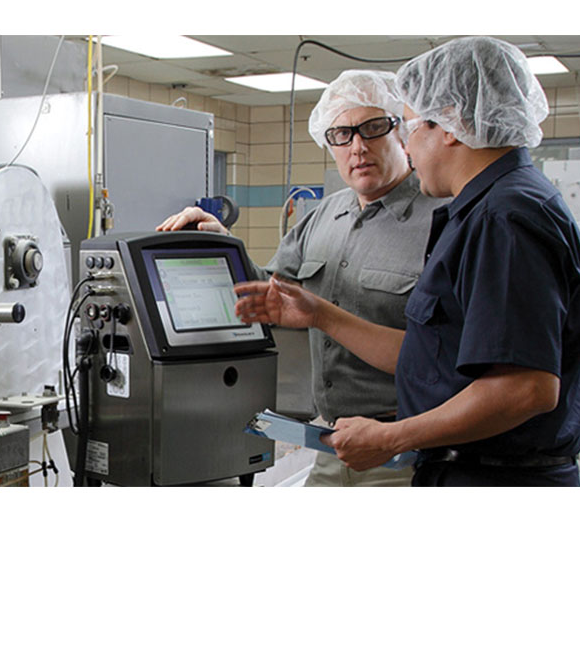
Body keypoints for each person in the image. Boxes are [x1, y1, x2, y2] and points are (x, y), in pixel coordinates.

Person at [234, 37, 580, 486]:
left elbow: (527, 388)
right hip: (455, 465)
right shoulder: (488, 209)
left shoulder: (503, 217)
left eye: (408, 127)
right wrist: (320, 314)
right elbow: (432, 358)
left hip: (492, 476)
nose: (408, 146)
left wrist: (393, 437)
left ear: (450, 124)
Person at [157, 70, 442, 486]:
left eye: (373, 128)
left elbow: (445, 355)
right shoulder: (324, 216)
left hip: (405, 449)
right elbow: (274, 295)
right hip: (333, 443)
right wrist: (224, 245)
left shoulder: (442, 220)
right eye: (341, 135)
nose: (358, 147)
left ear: (402, 132)